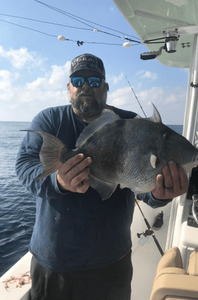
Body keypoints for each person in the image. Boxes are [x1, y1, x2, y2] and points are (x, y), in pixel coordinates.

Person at [16, 53, 188, 300]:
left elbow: (144, 191)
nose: (86, 86)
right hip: (54, 262)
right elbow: (24, 167)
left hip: (111, 262)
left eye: (95, 81)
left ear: (105, 88)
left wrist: (160, 196)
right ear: (68, 87)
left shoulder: (131, 123)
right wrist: (58, 182)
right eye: (78, 80)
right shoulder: (49, 120)